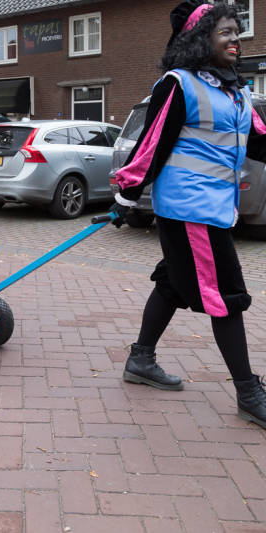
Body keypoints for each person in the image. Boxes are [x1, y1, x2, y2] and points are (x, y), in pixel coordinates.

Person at [110, 0, 266, 429]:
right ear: (201, 40)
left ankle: (140, 360)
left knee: (176, 281)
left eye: (238, 31)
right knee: (225, 294)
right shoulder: (179, 84)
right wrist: (127, 194)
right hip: (189, 207)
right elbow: (151, 144)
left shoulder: (235, 91)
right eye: (226, 33)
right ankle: (250, 393)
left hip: (214, 207)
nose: (236, 40)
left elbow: (258, 141)